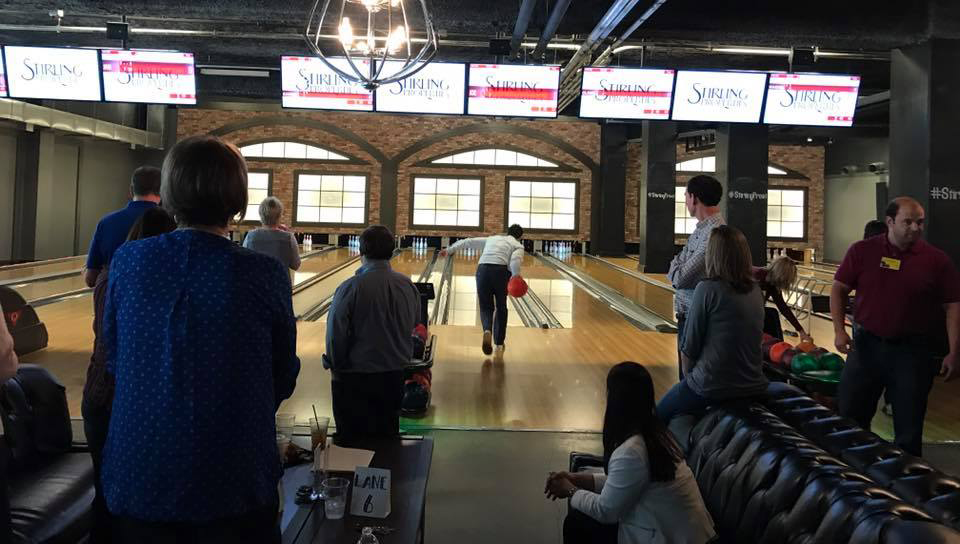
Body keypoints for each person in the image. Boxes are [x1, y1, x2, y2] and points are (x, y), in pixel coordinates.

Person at [100, 135, 300, 543]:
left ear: (170, 192)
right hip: (235, 477)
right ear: (238, 197)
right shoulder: (264, 273)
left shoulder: (128, 261)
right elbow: (283, 372)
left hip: (141, 472)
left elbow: (114, 358)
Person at [832, 197, 959, 456]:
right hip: (866, 346)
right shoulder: (862, 251)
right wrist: (838, 330)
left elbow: (953, 306)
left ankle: (904, 487)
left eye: (920, 222)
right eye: (908, 222)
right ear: (890, 222)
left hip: (912, 353)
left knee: (909, 428)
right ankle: (849, 480)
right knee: (850, 418)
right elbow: (839, 289)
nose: (915, 228)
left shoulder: (936, 261)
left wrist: (954, 351)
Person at [81, 207, 177, 544]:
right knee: (118, 496)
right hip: (114, 396)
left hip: (97, 393)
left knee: (107, 490)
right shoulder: (139, 281)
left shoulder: (113, 274)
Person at [545, 362, 716, 544]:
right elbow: (628, 481)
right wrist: (579, 479)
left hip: (668, 537)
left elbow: (606, 511)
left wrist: (570, 490)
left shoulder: (632, 451)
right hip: (687, 534)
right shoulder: (657, 434)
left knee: (577, 523)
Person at [657, 225, 768, 424]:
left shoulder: (707, 289)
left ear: (714, 256)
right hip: (753, 385)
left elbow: (688, 350)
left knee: (655, 418)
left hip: (711, 386)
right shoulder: (755, 291)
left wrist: (692, 383)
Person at [325, 225, 419, 441]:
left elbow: (334, 335)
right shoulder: (408, 286)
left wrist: (335, 363)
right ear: (393, 250)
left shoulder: (350, 287)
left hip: (355, 380)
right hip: (394, 377)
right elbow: (415, 325)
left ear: (361, 251)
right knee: (386, 440)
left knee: (351, 442)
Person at [667, 175, 725, 380]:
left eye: (685, 195)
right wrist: (676, 266)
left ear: (694, 198)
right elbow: (678, 261)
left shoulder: (713, 234)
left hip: (697, 320)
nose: (685, 201)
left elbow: (680, 277)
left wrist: (675, 268)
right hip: (689, 317)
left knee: (690, 381)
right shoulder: (701, 230)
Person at [440, 224, 525, 356]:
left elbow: (469, 241)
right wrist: (515, 276)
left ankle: (487, 330)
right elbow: (515, 260)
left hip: (483, 270)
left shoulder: (493, 238)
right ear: (520, 237)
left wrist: (450, 250)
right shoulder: (517, 245)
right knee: (501, 307)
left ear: (507, 232)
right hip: (500, 272)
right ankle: (499, 343)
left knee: (486, 307)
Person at [84, 166, 162, 288]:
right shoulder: (170, 224)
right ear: (162, 190)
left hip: (113, 302)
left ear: (131, 190)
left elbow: (90, 279)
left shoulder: (106, 223)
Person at [753, 256, 812, 342]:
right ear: (782, 274)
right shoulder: (758, 275)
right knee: (771, 314)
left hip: (751, 312)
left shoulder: (772, 283)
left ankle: (777, 345)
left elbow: (783, 308)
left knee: (772, 314)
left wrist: (801, 331)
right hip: (737, 310)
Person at [243, 197, 301, 271]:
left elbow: (245, 263)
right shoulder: (288, 237)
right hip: (280, 281)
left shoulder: (250, 236)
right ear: (279, 216)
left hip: (256, 281)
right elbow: (296, 265)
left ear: (261, 215)